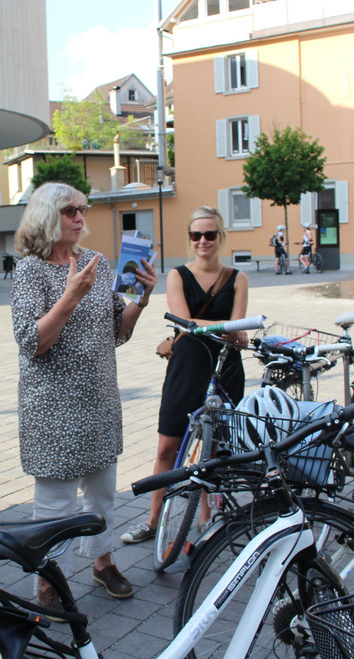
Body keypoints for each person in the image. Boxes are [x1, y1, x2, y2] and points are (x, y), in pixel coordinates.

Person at [10, 182, 156, 611]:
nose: (79, 217)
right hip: (53, 406)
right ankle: (48, 584)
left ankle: (102, 561)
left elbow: (116, 330)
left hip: (99, 400)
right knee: (54, 505)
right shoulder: (31, 271)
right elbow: (32, 341)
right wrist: (70, 297)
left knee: (102, 494)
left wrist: (142, 299)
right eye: (69, 210)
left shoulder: (97, 262)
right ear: (46, 215)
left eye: (83, 209)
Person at [121, 206, 249, 545]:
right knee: (168, 445)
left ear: (220, 237)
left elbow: (232, 329)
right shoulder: (178, 275)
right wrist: (225, 327)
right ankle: (153, 520)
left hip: (225, 367)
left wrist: (221, 329)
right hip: (188, 365)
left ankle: (205, 520)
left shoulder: (238, 278)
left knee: (214, 448)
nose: (203, 241)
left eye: (210, 234)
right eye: (196, 235)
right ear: (190, 239)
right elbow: (185, 323)